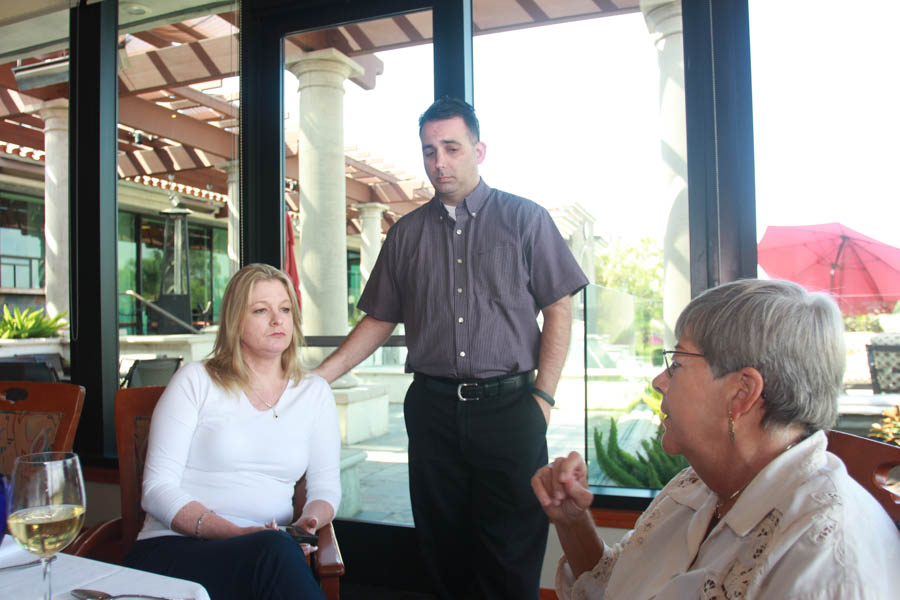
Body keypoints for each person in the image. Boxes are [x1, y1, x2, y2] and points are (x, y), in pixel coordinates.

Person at [313, 97, 588, 599]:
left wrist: (542, 399)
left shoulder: (526, 220)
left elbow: (559, 308)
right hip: (433, 412)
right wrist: (317, 379)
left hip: (511, 409)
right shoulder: (407, 234)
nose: (439, 161)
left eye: (451, 147)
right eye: (429, 150)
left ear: (478, 150)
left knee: (512, 556)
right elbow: (378, 320)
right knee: (443, 556)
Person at [532, 278, 900, 600]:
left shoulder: (823, 558)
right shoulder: (698, 485)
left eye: (676, 363)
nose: (659, 381)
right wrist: (573, 521)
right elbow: (613, 590)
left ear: (743, 393)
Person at [125, 263, 341, 600]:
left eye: (285, 309)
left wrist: (308, 525)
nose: (277, 320)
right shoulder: (196, 381)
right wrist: (236, 533)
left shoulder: (314, 393)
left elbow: (325, 487)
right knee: (274, 554)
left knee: (275, 554)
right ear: (235, 320)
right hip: (175, 548)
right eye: (261, 310)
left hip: (268, 552)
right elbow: (156, 489)